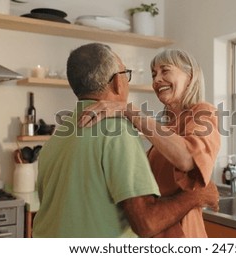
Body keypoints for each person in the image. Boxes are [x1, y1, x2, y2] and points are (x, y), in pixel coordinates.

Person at [32, 43, 219, 238]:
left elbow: (187, 158)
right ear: (117, 83)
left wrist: (127, 109)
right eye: (153, 74)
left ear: (190, 77)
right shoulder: (151, 128)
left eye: (165, 70)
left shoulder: (203, 113)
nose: (157, 79)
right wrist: (197, 195)